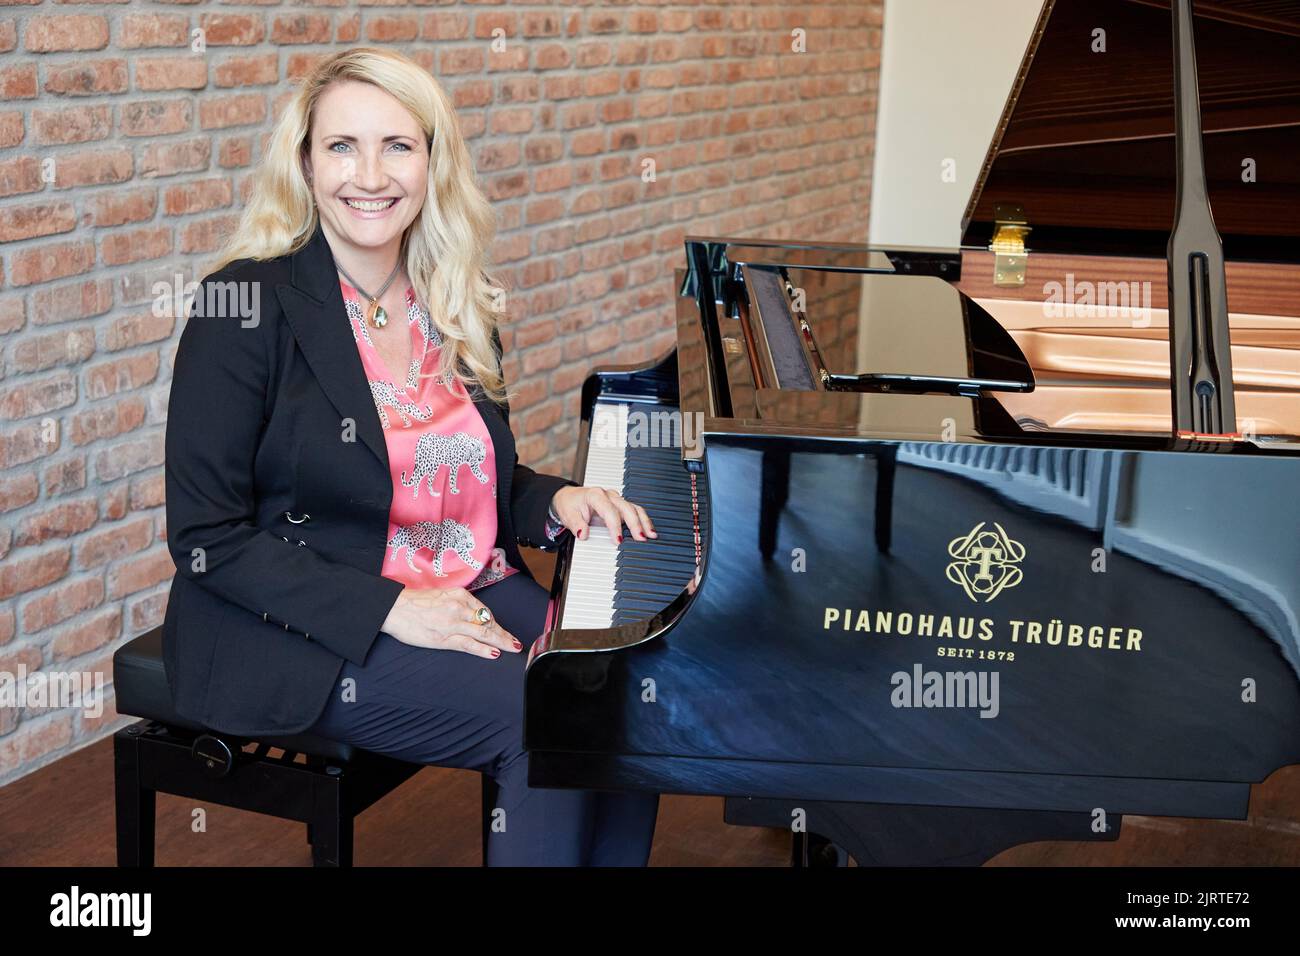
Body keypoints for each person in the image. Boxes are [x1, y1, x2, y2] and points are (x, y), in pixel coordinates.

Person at [162, 47, 660, 865]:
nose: (370, 174)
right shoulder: (242, 309)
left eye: (397, 145)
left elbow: (464, 481)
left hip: (467, 585)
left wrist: (551, 502)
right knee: (547, 718)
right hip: (304, 624)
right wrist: (392, 609)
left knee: (632, 687)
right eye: (341, 146)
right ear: (305, 163)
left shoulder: (453, 297)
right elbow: (206, 537)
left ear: (433, 161)